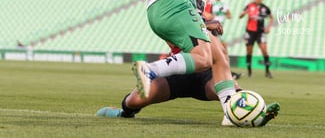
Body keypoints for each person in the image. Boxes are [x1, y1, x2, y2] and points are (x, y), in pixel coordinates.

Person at [96, 27, 280, 127]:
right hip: (176, 75)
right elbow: (172, 35)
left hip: (204, 76)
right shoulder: (171, 12)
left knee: (229, 89)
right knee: (134, 100)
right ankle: (125, 112)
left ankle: (254, 113)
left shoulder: (201, 7)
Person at [205, 0, 242, 80]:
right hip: (212, 30)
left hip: (220, 30)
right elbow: (206, 14)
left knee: (223, 51)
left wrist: (226, 14)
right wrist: (211, 16)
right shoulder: (211, 2)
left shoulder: (224, 2)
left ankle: (226, 73)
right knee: (222, 51)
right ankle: (226, 73)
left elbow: (229, 15)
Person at [239, 0, 274, 78]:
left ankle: (267, 71)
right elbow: (240, 15)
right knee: (249, 51)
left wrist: (268, 27)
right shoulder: (249, 6)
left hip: (260, 32)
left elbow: (271, 17)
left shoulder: (265, 8)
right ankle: (250, 72)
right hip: (250, 32)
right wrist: (243, 13)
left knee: (264, 50)